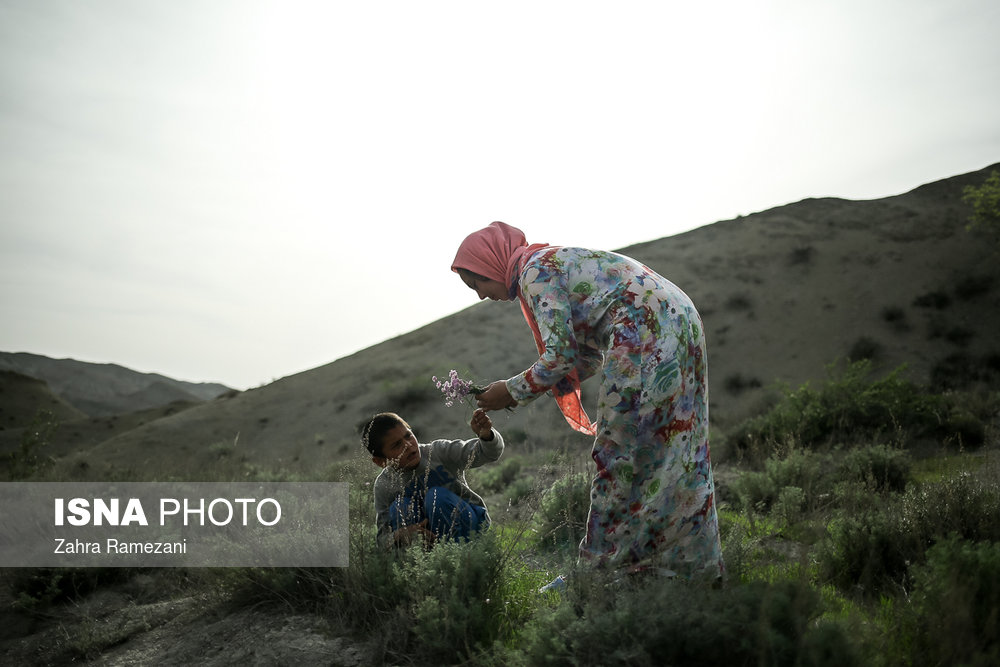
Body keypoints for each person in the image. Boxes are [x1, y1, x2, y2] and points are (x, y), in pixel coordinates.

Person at [451, 221, 724, 580]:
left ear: (492, 262)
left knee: (618, 455)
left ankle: (596, 575)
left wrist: (512, 390)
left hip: (645, 331)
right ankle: (691, 570)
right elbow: (587, 358)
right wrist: (521, 387)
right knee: (675, 448)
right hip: (678, 320)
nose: (481, 295)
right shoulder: (549, 261)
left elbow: (561, 355)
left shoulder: (535, 271)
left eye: (479, 283)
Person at [364, 408, 504, 550]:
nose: (408, 445)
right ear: (381, 461)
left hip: (470, 525)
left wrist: (486, 434)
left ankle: (461, 558)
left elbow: (488, 453)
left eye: (408, 436)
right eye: (396, 445)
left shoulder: (438, 452)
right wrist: (401, 535)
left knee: (437, 497)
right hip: (429, 543)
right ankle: (425, 565)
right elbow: (382, 540)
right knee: (400, 507)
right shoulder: (384, 485)